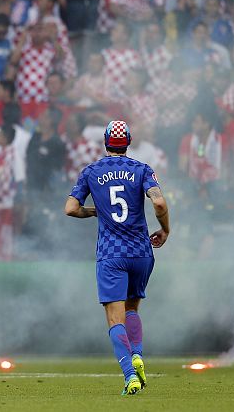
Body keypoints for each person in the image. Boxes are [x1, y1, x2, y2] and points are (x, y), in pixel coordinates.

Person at [64, 120, 170, 396]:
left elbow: (70, 208)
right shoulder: (142, 169)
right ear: (128, 143)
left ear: (105, 141)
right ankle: (137, 355)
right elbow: (159, 202)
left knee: (115, 319)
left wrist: (96, 211)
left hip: (111, 253)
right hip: (141, 251)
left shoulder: (91, 171)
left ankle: (130, 376)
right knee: (132, 309)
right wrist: (165, 229)